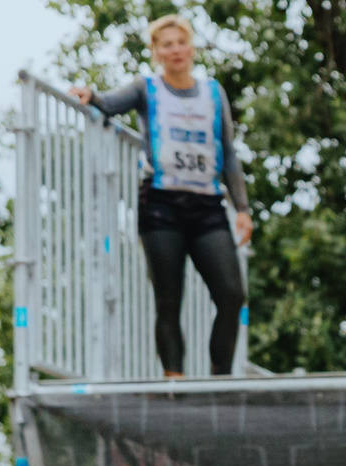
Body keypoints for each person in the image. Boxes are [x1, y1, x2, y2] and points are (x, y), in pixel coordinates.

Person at [72, 14, 253, 378]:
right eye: (166, 45)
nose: (175, 50)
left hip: (207, 206)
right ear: (156, 52)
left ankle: (219, 377)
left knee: (232, 295)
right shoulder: (146, 88)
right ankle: (175, 380)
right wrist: (90, 96)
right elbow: (108, 104)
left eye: (181, 42)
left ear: (191, 47)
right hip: (161, 207)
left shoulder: (213, 93)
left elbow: (229, 154)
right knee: (169, 301)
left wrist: (242, 208)